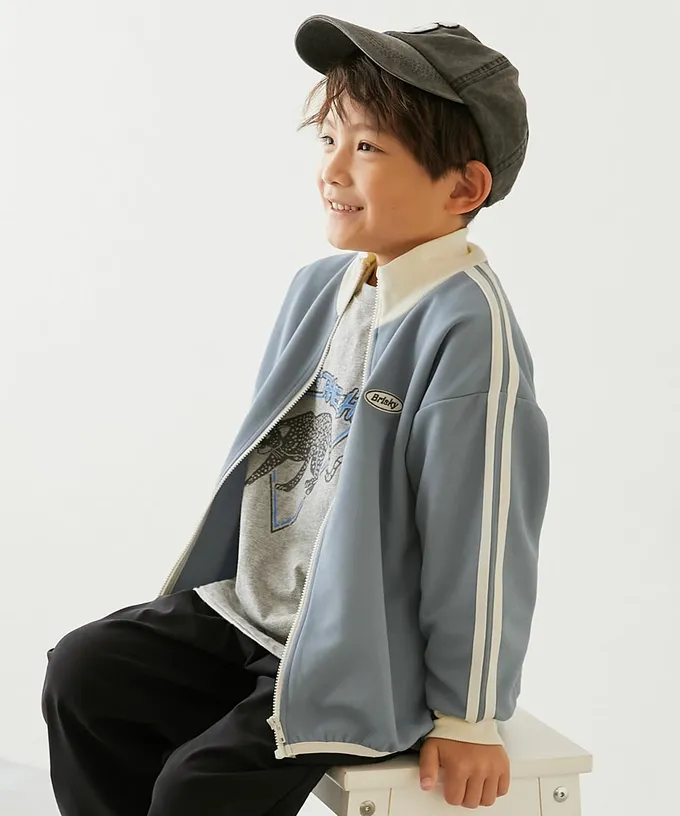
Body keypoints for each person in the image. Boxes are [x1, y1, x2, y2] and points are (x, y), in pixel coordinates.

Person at [41, 16, 550, 815]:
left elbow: (482, 539)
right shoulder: (321, 288)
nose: (332, 169)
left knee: (195, 790)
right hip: (250, 613)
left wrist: (469, 715)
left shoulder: (468, 329)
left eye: (368, 147)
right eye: (329, 139)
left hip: (356, 654)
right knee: (85, 673)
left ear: (463, 189)